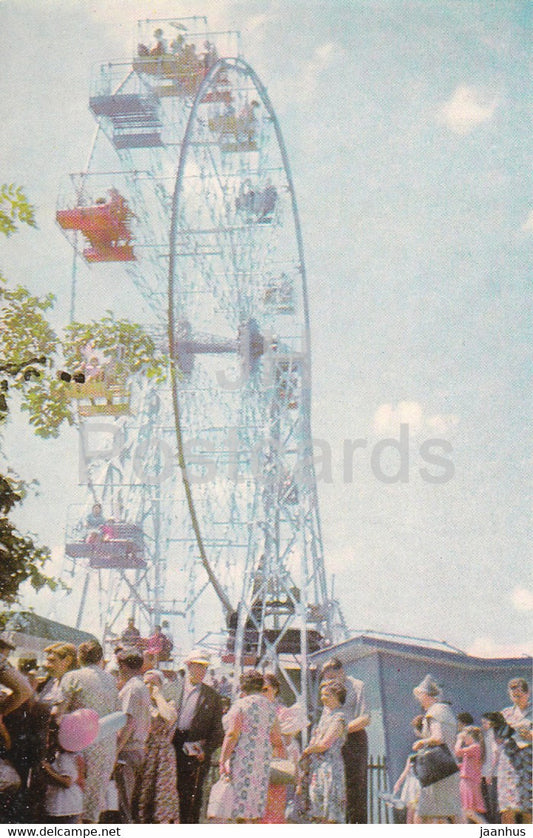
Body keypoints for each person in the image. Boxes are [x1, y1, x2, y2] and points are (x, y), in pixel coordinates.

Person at [58, 640, 119, 824]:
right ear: (100, 658)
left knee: (76, 799)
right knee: (94, 801)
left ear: (79, 657)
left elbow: (60, 712)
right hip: (106, 745)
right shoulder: (111, 680)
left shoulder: (72, 677)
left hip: (80, 745)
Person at [219, 669, 285, 823]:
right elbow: (276, 738)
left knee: (240, 807)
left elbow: (232, 734)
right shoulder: (270, 708)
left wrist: (223, 760)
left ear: (243, 687)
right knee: (256, 806)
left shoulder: (241, 705)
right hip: (262, 761)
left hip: (243, 759)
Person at [172, 648, 224, 823]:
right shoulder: (173, 688)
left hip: (195, 749)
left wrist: (206, 750)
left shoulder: (213, 697)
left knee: (191, 796)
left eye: (204, 667)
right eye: (198, 666)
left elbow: (218, 732)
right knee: (168, 791)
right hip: (172, 744)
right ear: (188, 665)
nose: (202, 671)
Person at [319, 656, 370, 823]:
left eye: (332, 677)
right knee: (333, 787)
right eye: (327, 679)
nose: (330, 682)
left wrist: (342, 729)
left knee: (354, 789)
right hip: (333, 742)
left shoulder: (357, 686)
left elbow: (365, 718)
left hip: (353, 739)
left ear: (341, 671)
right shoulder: (328, 691)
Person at [412, 674, 462, 824]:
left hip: (436, 768)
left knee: (424, 813)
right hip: (448, 765)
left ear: (427, 695)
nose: (418, 699)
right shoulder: (446, 711)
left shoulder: (434, 712)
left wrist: (421, 743)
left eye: (420, 695)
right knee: (451, 811)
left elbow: (437, 737)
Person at [136, 670, 179, 824]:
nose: (149, 686)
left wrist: (158, 696)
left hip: (163, 756)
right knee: (143, 792)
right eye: (146, 683)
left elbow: (169, 717)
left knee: (163, 794)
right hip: (145, 751)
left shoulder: (168, 703)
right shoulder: (141, 704)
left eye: (153, 683)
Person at [302, 680, 346, 823]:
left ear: (336, 696)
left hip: (330, 767)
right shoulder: (325, 717)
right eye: (322, 695)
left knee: (330, 814)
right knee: (318, 812)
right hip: (318, 768)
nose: (323, 698)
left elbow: (325, 744)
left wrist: (308, 750)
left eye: (326, 695)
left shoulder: (339, 718)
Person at [115, 647, 151, 823]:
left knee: (123, 802)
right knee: (130, 802)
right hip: (138, 749)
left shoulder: (132, 688)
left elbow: (128, 722)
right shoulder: (141, 686)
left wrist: (116, 749)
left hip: (128, 751)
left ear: (123, 665)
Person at [496, 677, 532, 824]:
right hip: (508, 765)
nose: (516, 699)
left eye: (519, 695)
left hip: (528, 765)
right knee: (507, 808)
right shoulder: (505, 713)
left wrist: (524, 732)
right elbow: (497, 739)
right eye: (513, 695)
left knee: (527, 808)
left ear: (527, 693)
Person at [261, 673, 287, 823]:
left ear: (275, 689)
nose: (262, 693)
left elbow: (285, 738)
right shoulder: (255, 708)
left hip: (275, 755)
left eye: (266, 689)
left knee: (275, 800)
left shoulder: (282, 712)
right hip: (258, 757)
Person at [393, 715, 424, 824]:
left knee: (416, 811)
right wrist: (398, 783)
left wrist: (398, 783)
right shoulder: (412, 756)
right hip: (413, 784)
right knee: (411, 811)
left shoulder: (420, 749)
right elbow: (406, 771)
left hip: (418, 784)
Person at [455, 725, 487, 823]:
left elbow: (457, 751)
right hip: (467, 780)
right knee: (464, 811)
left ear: (471, 736)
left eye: (465, 737)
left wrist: (459, 739)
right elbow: (468, 764)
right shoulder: (473, 748)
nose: (464, 740)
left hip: (470, 781)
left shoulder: (475, 747)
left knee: (468, 810)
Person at [481, 712, 500, 823]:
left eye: (485, 722)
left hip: (492, 774)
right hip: (486, 773)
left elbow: (496, 753)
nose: (483, 725)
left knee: (493, 803)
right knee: (488, 803)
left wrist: (490, 772)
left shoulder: (493, 733)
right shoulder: (487, 734)